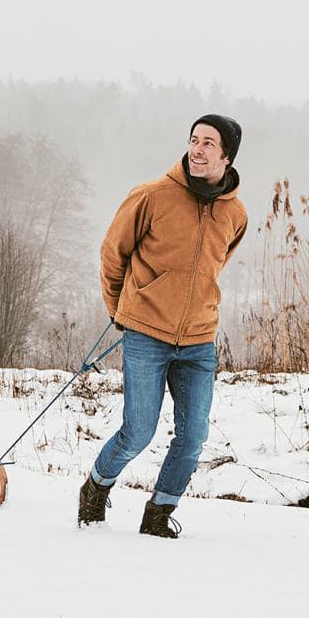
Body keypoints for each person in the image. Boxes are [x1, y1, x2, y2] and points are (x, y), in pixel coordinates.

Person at [78, 114, 248, 538]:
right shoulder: (152, 196)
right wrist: (120, 308)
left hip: (199, 341)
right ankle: (96, 487)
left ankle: (158, 514)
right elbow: (113, 254)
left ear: (226, 156)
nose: (198, 148)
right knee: (137, 432)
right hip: (146, 335)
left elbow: (213, 267)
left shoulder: (236, 213)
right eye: (194, 139)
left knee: (193, 438)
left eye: (209, 142)